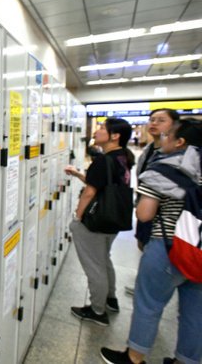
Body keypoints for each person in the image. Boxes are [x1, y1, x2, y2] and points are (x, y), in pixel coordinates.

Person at [100, 119, 202, 364]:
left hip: (169, 248)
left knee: (149, 303)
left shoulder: (164, 168)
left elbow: (145, 214)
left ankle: (134, 357)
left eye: (167, 135)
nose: (162, 138)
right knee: (195, 312)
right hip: (199, 251)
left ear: (180, 142)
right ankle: (186, 360)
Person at [64, 118, 135, 326]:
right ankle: (110, 299)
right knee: (104, 259)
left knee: (95, 267)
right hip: (113, 219)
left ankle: (97, 311)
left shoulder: (104, 160)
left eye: (102, 128)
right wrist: (78, 174)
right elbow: (102, 182)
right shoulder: (123, 157)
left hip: (96, 222)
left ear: (115, 135)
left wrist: (77, 218)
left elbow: (90, 192)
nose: (97, 131)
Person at [126, 108, 180, 296]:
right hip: (146, 205)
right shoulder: (149, 150)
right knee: (142, 244)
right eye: (152, 120)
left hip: (163, 217)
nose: (154, 123)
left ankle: (150, 284)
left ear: (174, 126)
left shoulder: (173, 155)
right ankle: (147, 279)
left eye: (161, 120)